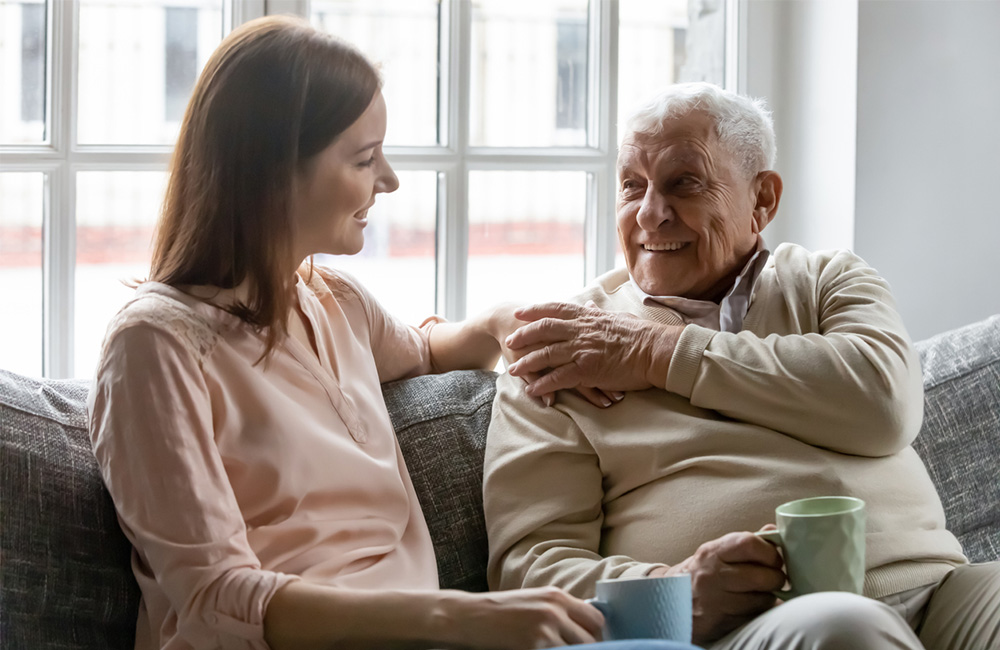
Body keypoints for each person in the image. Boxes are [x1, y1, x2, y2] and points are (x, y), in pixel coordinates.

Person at [87, 15, 700, 650]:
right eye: (363, 158)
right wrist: (463, 616)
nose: (390, 179)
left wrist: (501, 321)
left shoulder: (335, 302)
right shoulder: (154, 346)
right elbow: (214, 598)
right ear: (272, 169)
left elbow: (426, 350)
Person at [483, 82, 1000, 650]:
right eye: (632, 186)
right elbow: (530, 570)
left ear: (762, 200)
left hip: (940, 590)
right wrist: (674, 590)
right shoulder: (565, 348)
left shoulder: (829, 280)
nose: (650, 215)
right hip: (759, 626)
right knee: (843, 627)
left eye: (684, 183)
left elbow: (884, 405)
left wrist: (655, 354)